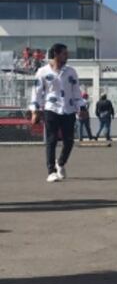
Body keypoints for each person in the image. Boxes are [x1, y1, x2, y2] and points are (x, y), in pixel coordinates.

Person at [29, 43, 86, 182]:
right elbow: (36, 92)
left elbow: (76, 91)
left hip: (68, 109)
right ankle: (51, 171)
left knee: (69, 141)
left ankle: (60, 163)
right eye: (64, 54)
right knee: (51, 140)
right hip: (51, 109)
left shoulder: (71, 72)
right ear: (56, 54)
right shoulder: (43, 72)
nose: (67, 56)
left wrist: (82, 108)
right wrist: (35, 111)